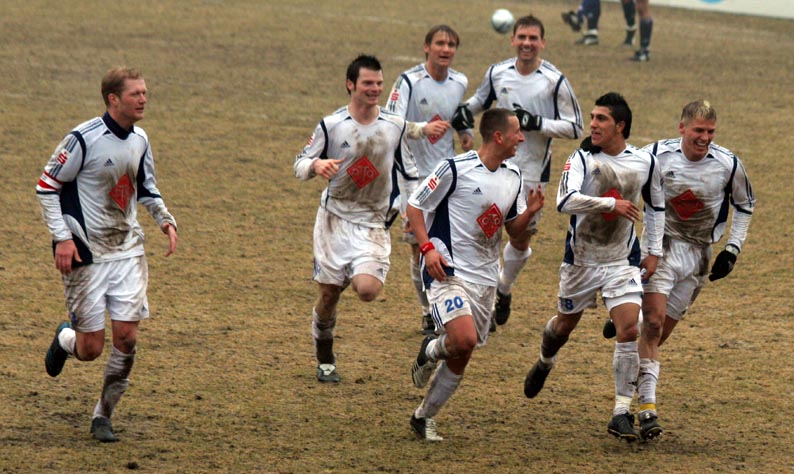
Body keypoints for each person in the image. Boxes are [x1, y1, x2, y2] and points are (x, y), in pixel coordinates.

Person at [38, 66, 178, 443]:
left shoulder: (141, 139)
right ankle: (66, 340)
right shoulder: (82, 140)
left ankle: (103, 414)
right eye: (135, 94)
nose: (144, 99)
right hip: (88, 254)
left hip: (128, 251)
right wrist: (62, 238)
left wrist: (165, 219)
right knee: (91, 349)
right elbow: (47, 187)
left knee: (127, 339)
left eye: (145, 92)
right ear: (113, 99)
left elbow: (146, 187)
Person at [522, 92, 665, 443]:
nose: (593, 125)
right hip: (582, 260)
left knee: (629, 328)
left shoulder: (645, 162)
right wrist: (610, 205)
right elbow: (564, 201)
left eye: (602, 119)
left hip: (621, 260)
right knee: (562, 327)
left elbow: (657, 207)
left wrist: (654, 252)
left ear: (620, 126)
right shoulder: (581, 158)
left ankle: (620, 412)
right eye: (592, 118)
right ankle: (545, 360)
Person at [407, 108, 544, 441]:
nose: (521, 138)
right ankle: (429, 350)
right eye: (517, 132)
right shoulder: (455, 168)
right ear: (498, 136)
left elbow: (512, 230)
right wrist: (427, 249)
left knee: (463, 351)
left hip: (485, 278)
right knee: (463, 338)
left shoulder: (514, 175)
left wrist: (530, 214)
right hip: (447, 270)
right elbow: (415, 206)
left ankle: (423, 417)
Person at [632, 100, 754, 439]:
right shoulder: (656, 155)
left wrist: (732, 249)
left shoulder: (728, 164)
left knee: (657, 334)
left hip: (699, 256)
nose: (705, 138)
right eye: (699, 130)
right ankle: (647, 409)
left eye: (710, 132)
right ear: (682, 128)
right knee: (654, 325)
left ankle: (627, 321)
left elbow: (745, 204)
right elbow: (624, 169)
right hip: (662, 249)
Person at [452, 14, 583, 329]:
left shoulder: (554, 81)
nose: (527, 43)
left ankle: (503, 286)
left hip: (532, 173)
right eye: (521, 37)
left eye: (533, 38)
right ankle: (481, 303)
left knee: (520, 239)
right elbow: (479, 101)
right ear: (512, 39)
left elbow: (576, 126)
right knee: (484, 232)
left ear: (542, 43)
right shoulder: (497, 72)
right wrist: (463, 113)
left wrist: (537, 123)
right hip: (493, 167)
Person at [294, 54, 418, 383]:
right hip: (334, 221)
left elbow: (410, 173)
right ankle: (325, 354)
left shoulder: (394, 126)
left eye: (379, 83)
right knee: (328, 296)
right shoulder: (332, 125)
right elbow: (299, 164)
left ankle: (356, 268)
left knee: (367, 289)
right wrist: (316, 165)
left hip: (373, 221)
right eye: (367, 83)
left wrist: (410, 209)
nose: (375, 89)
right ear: (350, 85)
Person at [387, 25, 472, 336]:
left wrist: (465, 133)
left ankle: (451, 308)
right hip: (413, 178)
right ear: (426, 47)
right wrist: (423, 129)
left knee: (450, 245)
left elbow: (457, 113)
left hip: (446, 176)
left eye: (451, 44)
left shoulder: (460, 82)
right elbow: (390, 121)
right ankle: (427, 311)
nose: (445, 49)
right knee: (419, 249)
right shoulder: (408, 81)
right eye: (440, 43)